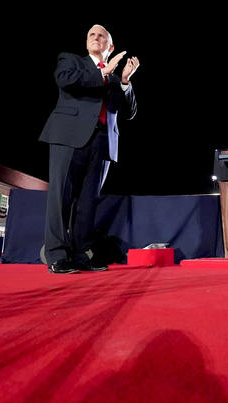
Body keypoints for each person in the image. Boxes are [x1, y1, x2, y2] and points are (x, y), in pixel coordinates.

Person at [39, 25, 139, 274]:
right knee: (61, 197)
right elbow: (66, 80)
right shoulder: (71, 61)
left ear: (111, 47)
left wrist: (125, 81)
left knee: (87, 203)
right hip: (69, 137)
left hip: (102, 144)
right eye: (92, 35)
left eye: (102, 35)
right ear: (86, 43)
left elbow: (129, 113)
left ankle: (82, 254)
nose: (96, 37)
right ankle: (56, 255)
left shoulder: (116, 79)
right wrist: (104, 72)